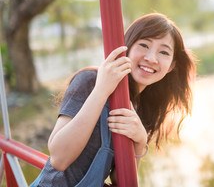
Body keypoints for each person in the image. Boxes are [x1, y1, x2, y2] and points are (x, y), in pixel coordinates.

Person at [30, 13, 196, 186]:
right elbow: (59, 159)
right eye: (144, 45)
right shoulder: (90, 81)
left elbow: (121, 179)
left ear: (171, 66)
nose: (151, 58)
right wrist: (102, 90)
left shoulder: (140, 106)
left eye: (163, 52)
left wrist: (140, 141)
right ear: (127, 47)